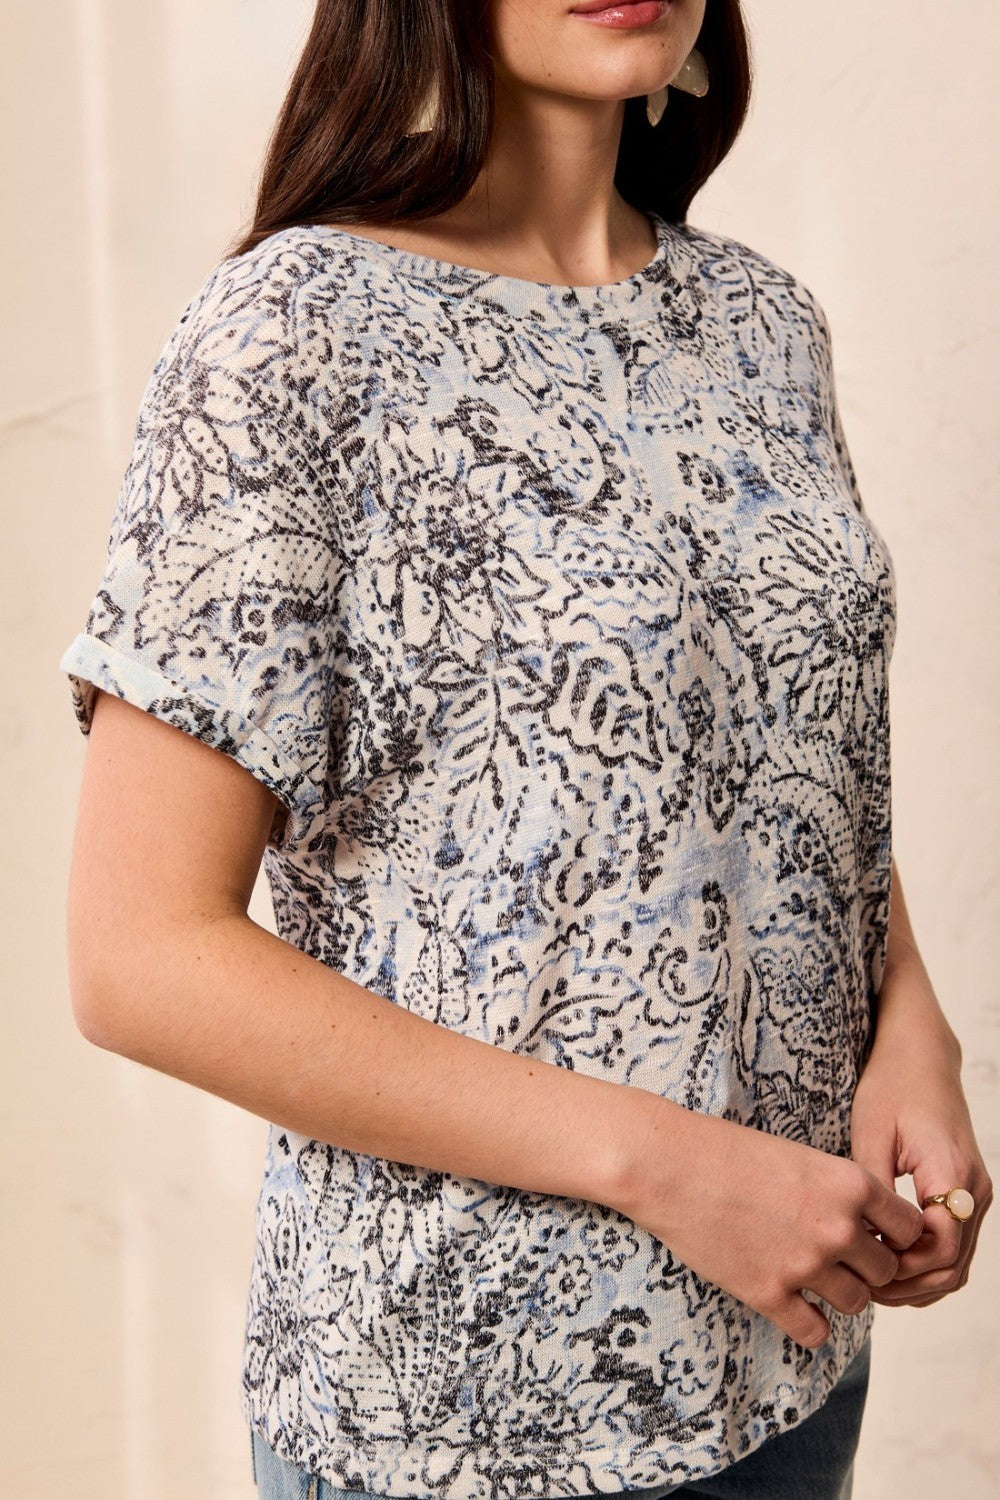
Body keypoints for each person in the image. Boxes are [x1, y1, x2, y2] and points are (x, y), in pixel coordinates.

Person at [58, 2, 992, 1498]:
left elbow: (770, 755)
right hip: (460, 1406)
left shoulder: (764, 324)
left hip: (787, 1361)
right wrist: (678, 1171)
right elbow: (139, 957)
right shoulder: (292, 333)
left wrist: (911, 1027)